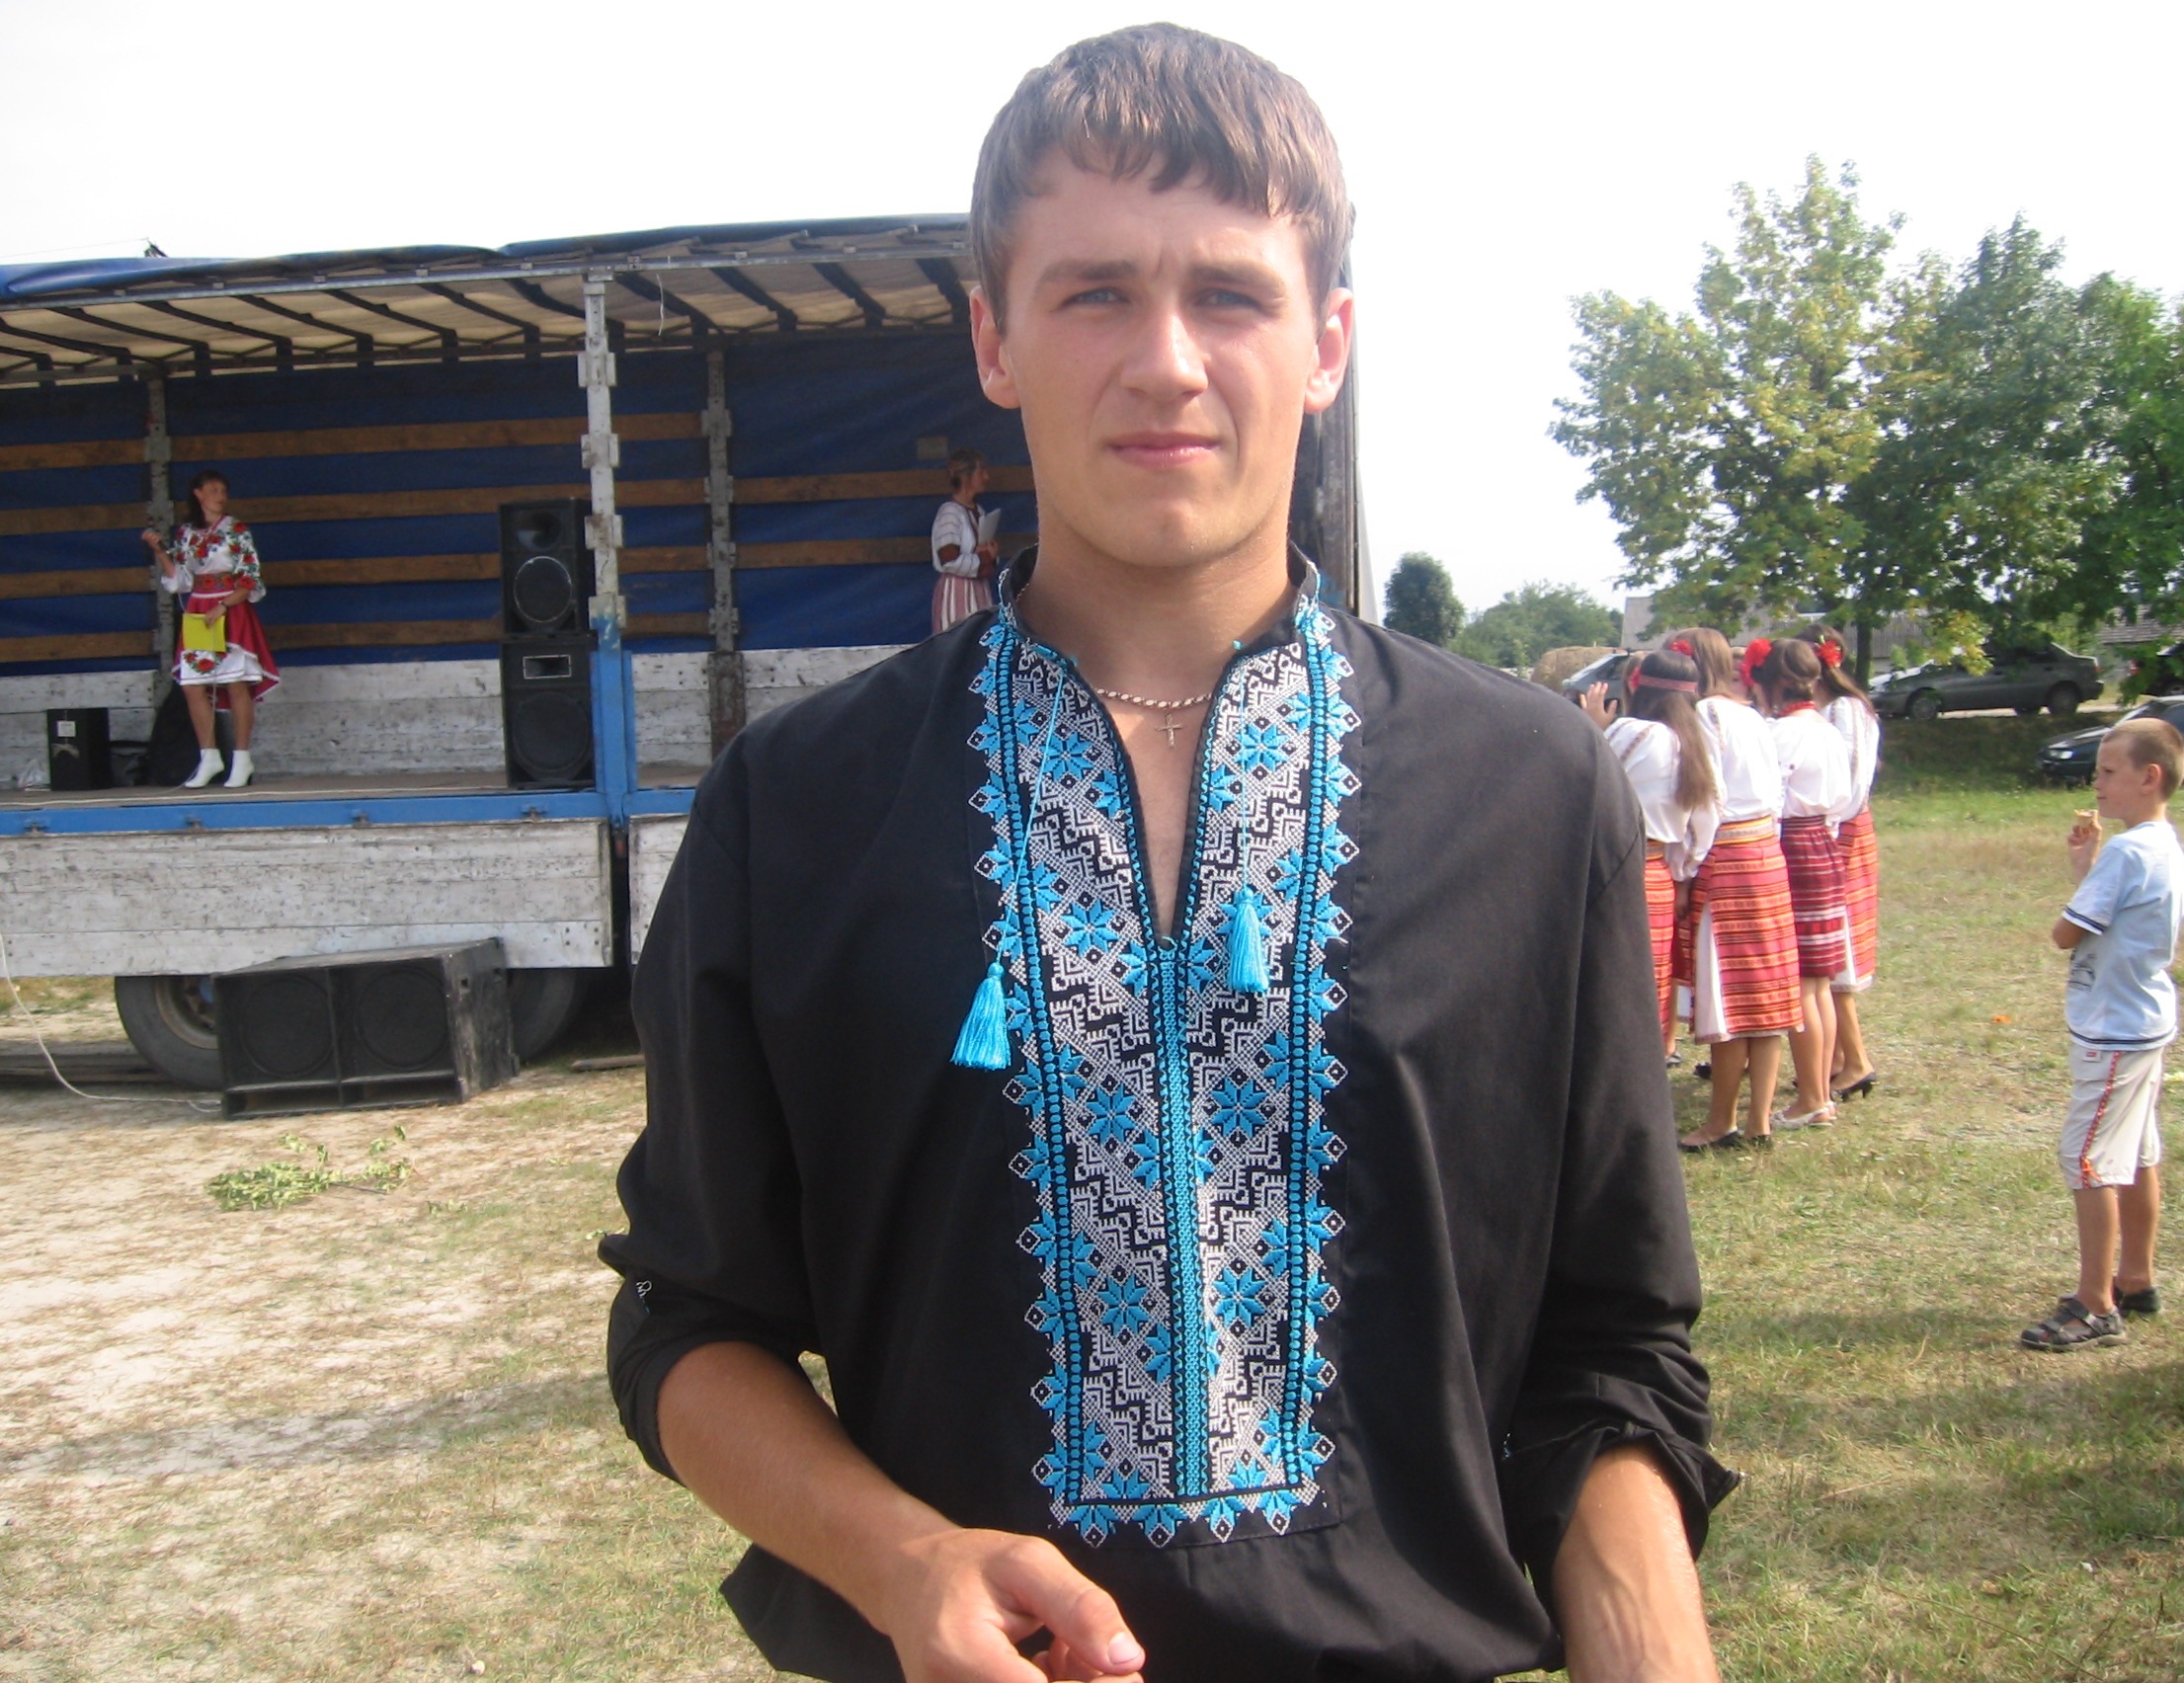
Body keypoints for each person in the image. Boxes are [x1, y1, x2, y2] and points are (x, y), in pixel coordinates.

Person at [602, 26, 1731, 1683]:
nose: (1166, 361)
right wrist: (906, 1561)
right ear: (993, 337)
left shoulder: (1533, 791)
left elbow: (1611, 1348)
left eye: (1229, 295)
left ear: (1327, 341)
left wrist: (1656, 1647)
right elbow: (689, 1321)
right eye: (1094, 294)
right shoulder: (798, 805)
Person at [2021, 717, 2184, 1351]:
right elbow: (2112, 916)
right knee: (2137, 1153)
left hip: (2113, 1032)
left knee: (2088, 1158)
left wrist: (2093, 872)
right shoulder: (2161, 844)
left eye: (2109, 772)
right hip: (2143, 1021)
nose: (2097, 783)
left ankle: (2095, 1304)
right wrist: (2086, 869)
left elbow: (2067, 933)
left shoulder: (2128, 852)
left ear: (2150, 778)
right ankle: (2135, 1279)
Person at [1672, 626, 1799, 1152]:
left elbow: (1709, 798)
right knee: (1765, 996)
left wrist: (1688, 867)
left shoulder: (1707, 715)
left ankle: (1721, 1120)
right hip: (1766, 853)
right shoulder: (1753, 716)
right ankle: (1758, 1121)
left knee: (1726, 997)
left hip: (1727, 857)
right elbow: (1777, 793)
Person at [1584, 650, 1722, 1045]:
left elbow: (1592, 780)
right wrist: (1682, 876)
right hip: (1659, 873)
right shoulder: (1692, 744)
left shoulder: (1634, 731)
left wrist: (1593, 729)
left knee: (1612, 977)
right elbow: (1706, 822)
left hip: (1615, 868)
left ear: (1639, 687)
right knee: (1652, 980)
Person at [1746, 638, 1851, 1130]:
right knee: (1819, 980)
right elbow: (1845, 798)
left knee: (1803, 980)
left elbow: (1771, 798)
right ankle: (1819, 1093)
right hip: (1825, 842)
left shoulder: (1782, 733)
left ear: (1778, 684)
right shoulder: (1827, 729)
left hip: (1792, 844)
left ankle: (1811, 1097)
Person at [141, 469, 278, 788]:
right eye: (213, 490)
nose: (220, 495)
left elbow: (250, 577)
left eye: (223, 490)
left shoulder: (237, 530)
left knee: (235, 682)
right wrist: (160, 551)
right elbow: (181, 579)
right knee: (193, 684)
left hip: (230, 608)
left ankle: (241, 758)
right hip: (200, 610)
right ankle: (209, 756)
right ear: (198, 493)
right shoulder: (187, 533)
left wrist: (225, 605)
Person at [1812, 625, 1880, 1099]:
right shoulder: (1824, 708)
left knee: (1835, 949)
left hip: (1843, 831)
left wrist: (1830, 832)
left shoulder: (1845, 709)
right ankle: (1836, 1057)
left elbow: (1852, 780)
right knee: (1828, 948)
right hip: (1833, 829)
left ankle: (1855, 1060)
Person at [931, 445, 1000, 633]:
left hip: (979, 592)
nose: (986, 477)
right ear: (966, 476)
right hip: (957, 594)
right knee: (959, 642)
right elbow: (948, 559)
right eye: (981, 471)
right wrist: (984, 558)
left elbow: (981, 553)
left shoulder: (979, 512)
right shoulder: (950, 513)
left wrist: (991, 554)